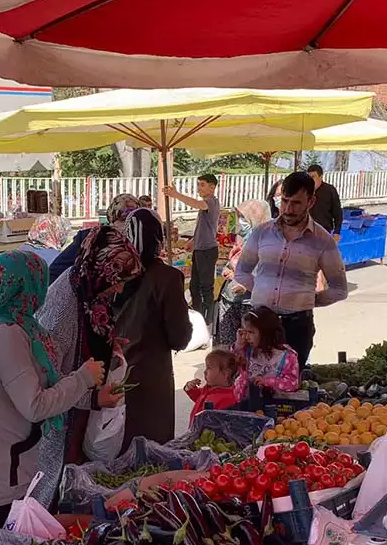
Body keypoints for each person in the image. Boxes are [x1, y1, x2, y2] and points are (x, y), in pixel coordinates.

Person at [0, 250, 107, 527]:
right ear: (29, 287)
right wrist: (83, 378)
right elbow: (35, 405)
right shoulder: (5, 334)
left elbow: (33, 373)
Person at [35, 225, 139, 504]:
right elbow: (48, 376)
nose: (119, 288)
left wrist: (107, 344)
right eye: (118, 279)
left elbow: (88, 336)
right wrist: (92, 398)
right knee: (56, 488)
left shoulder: (88, 290)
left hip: (78, 412)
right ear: (103, 269)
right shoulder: (64, 305)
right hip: (63, 418)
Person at [235, 171, 348, 367]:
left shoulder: (323, 241)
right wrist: (262, 290)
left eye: (296, 203)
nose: (288, 209)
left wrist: (307, 300)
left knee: (290, 387)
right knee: (253, 383)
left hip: (297, 327)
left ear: (311, 202)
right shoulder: (262, 233)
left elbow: (339, 289)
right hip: (259, 324)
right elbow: (242, 271)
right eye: (285, 201)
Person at [115, 208, 193, 445]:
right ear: (158, 239)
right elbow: (179, 337)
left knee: (117, 444)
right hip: (150, 377)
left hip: (113, 372)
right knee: (151, 452)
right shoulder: (167, 278)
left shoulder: (114, 272)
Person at [164, 174, 220, 325]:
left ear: (212, 187)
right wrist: (193, 241)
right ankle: (197, 316)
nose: (199, 188)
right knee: (194, 286)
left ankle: (208, 319)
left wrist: (176, 195)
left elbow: (197, 204)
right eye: (198, 184)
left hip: (208, 250)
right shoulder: (205, 206)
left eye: (202, 185)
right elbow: (205, 228)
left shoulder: (211, 202)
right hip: (200, 249)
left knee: (206, 287)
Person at [215, 199, 271, 347]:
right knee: (230, 345)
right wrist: (229, 269)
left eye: (244, 217)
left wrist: (244, 283)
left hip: (251, 303)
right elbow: (235, 261)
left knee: (251, 345)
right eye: (239, 216)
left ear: (256, 217)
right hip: (231, 298)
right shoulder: (244, 238)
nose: (241, 221)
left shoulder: (268, 242)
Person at [49, 193, 139, 283]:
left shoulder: (141, 241)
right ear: (112, 219)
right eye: (123, 219)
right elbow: (55, 271)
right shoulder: (89, 238)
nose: (126, 226)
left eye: (132, 221)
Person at [233, 305, 300, 402]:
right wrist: (238, 344)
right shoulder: (247, 350)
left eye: (251, 332)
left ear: (266, 333)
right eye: (245, 332)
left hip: (271, 405)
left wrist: (266, 382)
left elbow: (292, 383)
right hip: (242, 401)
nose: (247, 337)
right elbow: (232, 363)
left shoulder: (287, 356)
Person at [184, 348, 240, 422]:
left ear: (226, 374)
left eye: (209, 368)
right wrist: (190, 388)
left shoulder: (227, 399)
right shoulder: (209, 388)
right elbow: (199, 397)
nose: (205, 372)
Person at [306, 164, 342, 233]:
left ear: (320, 177)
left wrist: (337, 231)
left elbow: (337, 212)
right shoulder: (304, 191)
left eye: (313, 177)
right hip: (306, 230)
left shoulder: (330, 190)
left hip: (324, 230)